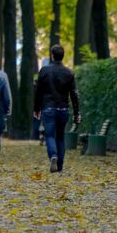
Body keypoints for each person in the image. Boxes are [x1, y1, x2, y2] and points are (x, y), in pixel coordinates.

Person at [34, 45, 81, 173]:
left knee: (49, 135)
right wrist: (77, 113)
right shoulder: (69, 73)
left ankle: (53, 156)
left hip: (48, 108)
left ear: (52, 55)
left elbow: (38, 91)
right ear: (63, 56)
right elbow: (74, 94)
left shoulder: (44, 71)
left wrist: (36, 108)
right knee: (60, 137)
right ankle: (59, 165)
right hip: (63, 109)